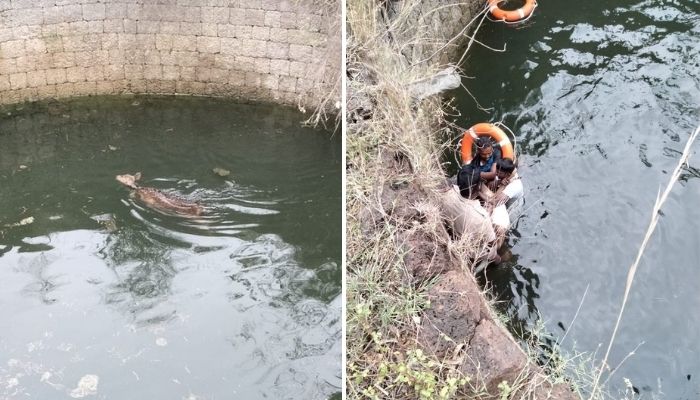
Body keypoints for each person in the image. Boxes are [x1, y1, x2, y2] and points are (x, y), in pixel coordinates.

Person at [441, 165, 501, 264]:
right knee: (497, 256)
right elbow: (491, 243)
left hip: (455, 233)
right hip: (472, 251)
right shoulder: (482, 218)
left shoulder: (448, 193)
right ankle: (497, 262)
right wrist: (488, 214)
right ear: (478, 186)